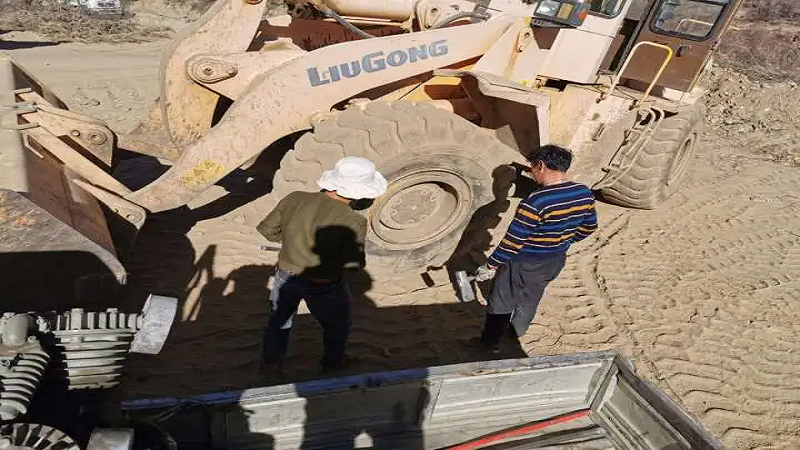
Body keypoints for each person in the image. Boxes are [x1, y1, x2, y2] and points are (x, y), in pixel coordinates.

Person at [257, 156, 387, 372]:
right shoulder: (354, 220)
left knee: (279, 320)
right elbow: (354, 264)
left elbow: (267, 230)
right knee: (337, 326)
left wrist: (292, 240)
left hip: (284, 273)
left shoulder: (294, 198)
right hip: (323, 284)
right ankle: (332, 363)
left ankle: (270, 363)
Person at [468, 145, 598, 353]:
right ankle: (517, 332)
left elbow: (513, 242)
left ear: (541, 166)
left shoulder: (536, 201)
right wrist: (563, 241)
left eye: (531, 168)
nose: (531, 173)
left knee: (501, 301)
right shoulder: (583, 192)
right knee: (531, 296)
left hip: (524, 262)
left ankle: (490, 344)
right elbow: (589, 226)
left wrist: (491, 265)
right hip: (555, 260)